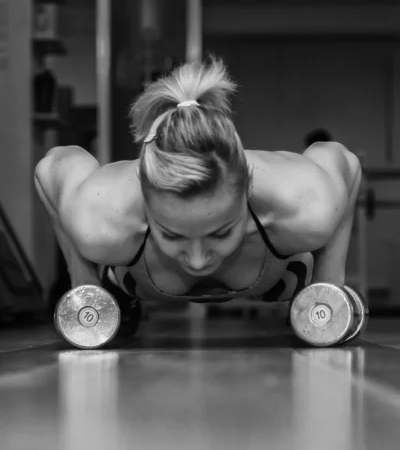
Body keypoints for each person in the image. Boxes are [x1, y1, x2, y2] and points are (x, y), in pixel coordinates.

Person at [34, 57, 361, 327]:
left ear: (248, 185)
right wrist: (86, 288)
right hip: (133, 281)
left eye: (221, 232)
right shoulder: (103, 219)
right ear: (143, 196)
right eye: (172, 235)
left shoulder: (303, 207)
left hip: (282, 275)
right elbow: (53, 167)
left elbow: (342, 160)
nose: (198, 259)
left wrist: (328, 286)